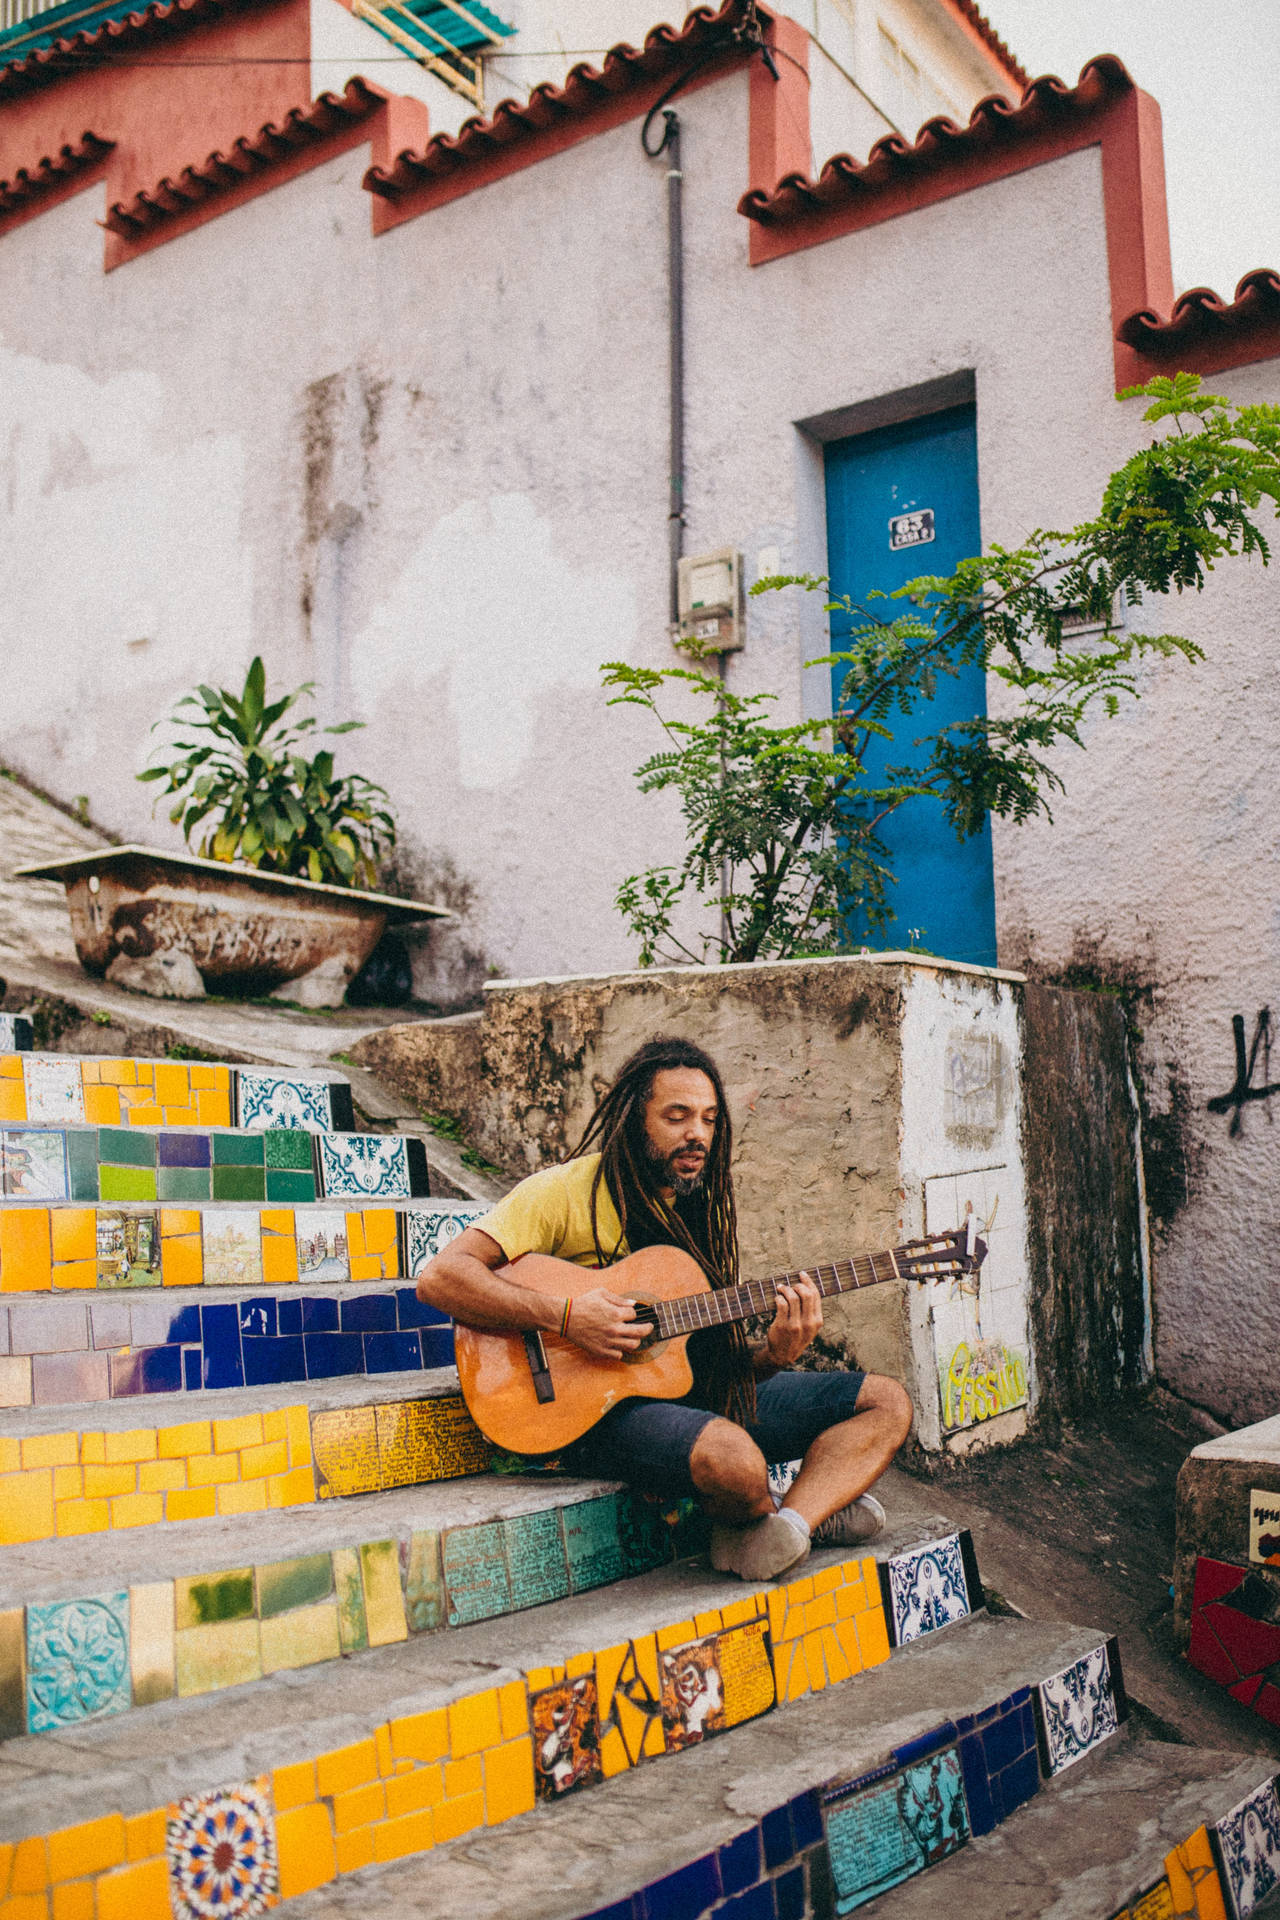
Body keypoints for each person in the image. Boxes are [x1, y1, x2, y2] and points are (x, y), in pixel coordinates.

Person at [416, 1036, 914, 1582]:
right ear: (635, 1117)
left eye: (708, 1118)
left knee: (885, 1402)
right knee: (735, 1458)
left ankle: (788, 1523)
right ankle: (788, 1514)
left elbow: (705, 1366)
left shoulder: (698, 1207)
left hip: (676, 1399)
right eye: (677, 1116)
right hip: (589, 1412)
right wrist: (565, 1316)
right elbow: (441, 1279)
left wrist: (773, 1353)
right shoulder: (562, 1192)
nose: (696, 1133)